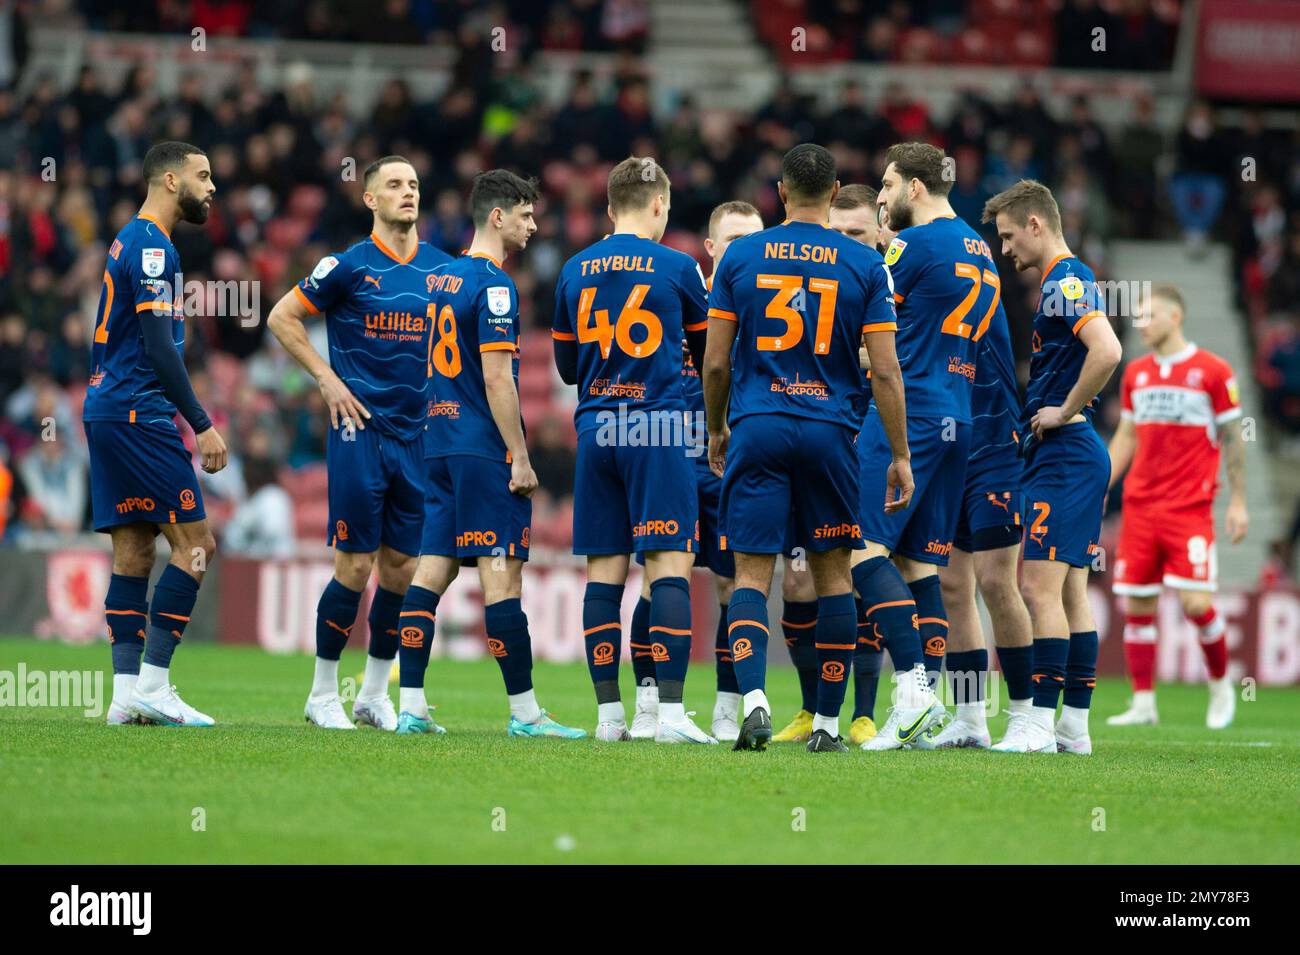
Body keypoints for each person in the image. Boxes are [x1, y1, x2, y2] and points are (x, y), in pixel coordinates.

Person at [702, 143, 912, 752]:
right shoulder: (866, 264)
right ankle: (825, 726)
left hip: (759, 426)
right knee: (833, 577)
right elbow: (887, 372)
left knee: (750, 575)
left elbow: (716, 362)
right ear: (836, 190)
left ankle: (757, 702)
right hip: (831, 434)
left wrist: (718, 427)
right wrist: (899, 454)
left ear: (781, 191)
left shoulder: (741, 256)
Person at [395, 169, 585, 739]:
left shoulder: (440, 279)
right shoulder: (496, 286)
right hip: (482, 452)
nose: (533, 226)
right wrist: (520, 456)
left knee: (431, 572)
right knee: (501, 579)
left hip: (439, 446)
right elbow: (499, 380)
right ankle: (526, 714)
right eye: (526, 215)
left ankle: (410, 706)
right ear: (498, 217)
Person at [267, 156, 452, 731]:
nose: (407, 193)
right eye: (394, 185)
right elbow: (282, 317)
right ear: (369, 199)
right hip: (360, 432)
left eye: (414, 185)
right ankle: (323, 693)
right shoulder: (346, 266)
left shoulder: (444, 272)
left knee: (400, 568)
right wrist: (326, 379)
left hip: (419, 436)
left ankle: (373, 694)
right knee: (354, 565)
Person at [552, 156, 713, 743]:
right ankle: (669, 715)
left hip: (598, 429)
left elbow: (568, 367)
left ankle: (609, 717)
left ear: (610, 205)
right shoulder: (679, 266)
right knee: (669, 566)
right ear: (658, 206)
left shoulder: (573, 269)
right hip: (660, 428)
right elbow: (705, 353)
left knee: (604, 575)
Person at [854, 141, 995, 751]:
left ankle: (914, 690)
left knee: (859, 550)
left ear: (914, 187)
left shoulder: (909, 247)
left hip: (907, 413)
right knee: (920, 566)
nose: (880, 198)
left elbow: (875, 330)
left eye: (885, 186)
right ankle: (961, 717)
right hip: (958, 418)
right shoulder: (980, 249)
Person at [84, 141, 226, 727]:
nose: (212, 187)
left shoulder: (132, 239)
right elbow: (159, 349)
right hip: (140, 413)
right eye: (203, 175)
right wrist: (202, 424)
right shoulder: (151, 248)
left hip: (108, 410)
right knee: (196, 546)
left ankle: (124, 697)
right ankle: (155, 684)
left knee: (134, 550)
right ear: (171, 181)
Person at [983, 179, 1123, 755]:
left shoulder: (1065, 280)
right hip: (1076, 455)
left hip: (1065, 454)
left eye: (1010, 236)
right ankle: (1074, 727)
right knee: (1069, 593)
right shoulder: (1066, 280)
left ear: (1035, 224)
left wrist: (1064, 411)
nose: (1005, 250)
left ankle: (1038, 723)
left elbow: (1107, 350)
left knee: (1037, 589)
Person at [1106, 284, 1246, 729]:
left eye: (1148, 315)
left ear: (1175, 317)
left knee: (1194, 603)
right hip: (1141, 507)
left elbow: (1235, 437)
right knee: (1139, 606)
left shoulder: (1213, 371)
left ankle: (1222, 687)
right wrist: (1099, 486)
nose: (1140, 323)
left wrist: (1238, 501)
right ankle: (1143, 704)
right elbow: (1127, 435)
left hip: (1189, 510)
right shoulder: (1136, 373)